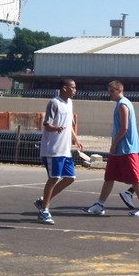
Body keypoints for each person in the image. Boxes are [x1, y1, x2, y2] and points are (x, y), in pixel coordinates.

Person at [84, 80, 139, 217]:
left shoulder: (123, 105)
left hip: (127, 149)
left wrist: (114, 144)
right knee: (109, 177)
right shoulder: (120, 104)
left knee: (135, 179)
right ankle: (100, 204)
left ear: (119, 90)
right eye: (109, 91)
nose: (109, 94)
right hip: (119, 150)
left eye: (112, 91)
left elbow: (124, 127)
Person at [34, 79, 84, 225]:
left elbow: (69, 125)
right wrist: (56, 128)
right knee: (54, 178)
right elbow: (47, 124)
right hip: (53, 149)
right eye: (73, 87)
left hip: (65, 150)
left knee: (70, 178)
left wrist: (76, 139)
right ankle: (44, 211)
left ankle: (43, 201)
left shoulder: (70, 103)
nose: (75, 90)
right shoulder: (54, 103)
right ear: (64, 88)